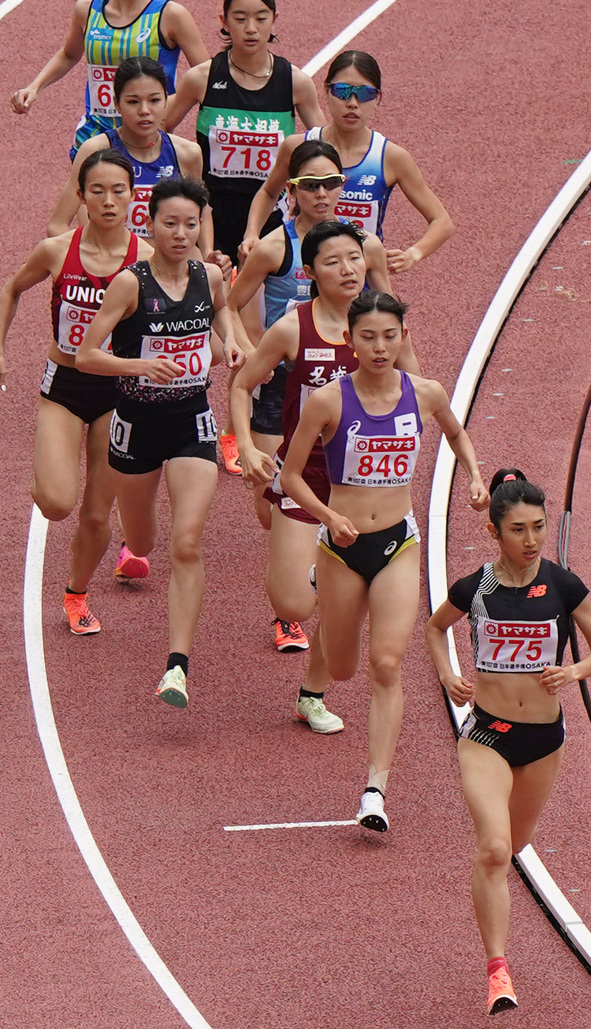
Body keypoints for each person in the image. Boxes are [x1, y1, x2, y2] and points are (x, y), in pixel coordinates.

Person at [278, 291, 488, 828]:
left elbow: (456, 432)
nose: (379, 346)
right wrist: (327, 516)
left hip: (398, 542)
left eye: (389, 336)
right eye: (367, 336)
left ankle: (375, 790)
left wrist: (474, 475)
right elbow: (291, 475)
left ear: (403, 337)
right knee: (344, 666)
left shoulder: (425, 393)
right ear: (350, 340)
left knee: (386, 664)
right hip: (343, 547)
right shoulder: (326, 401)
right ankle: (323, 587)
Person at [425, 469, 591, 1016]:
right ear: (494, 532)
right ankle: (498, 971)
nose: (530, 541)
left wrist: (573, 672)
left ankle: (496, 928)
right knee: (492, 848)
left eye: (538, 527)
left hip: (544, 741)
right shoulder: (475, 588)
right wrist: (446, 673)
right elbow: (436, 629)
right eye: (518, 530)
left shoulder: (561, 583)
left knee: (514, 846)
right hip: (486, 734)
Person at [230, 224, 407, 728]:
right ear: (310, 273)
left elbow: (415, 387)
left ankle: (312, 693)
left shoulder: (382, 324)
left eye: (355, 258)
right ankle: (282, 521)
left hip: (365, 485)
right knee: (294, 603)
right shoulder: (293, 328)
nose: (349, 269)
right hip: (303, 475)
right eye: (334, 261)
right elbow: (242, 386)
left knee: (340, 600)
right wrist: (245, 445)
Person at [77, 176, 241, 707]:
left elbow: (222, 317)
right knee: (145, 543)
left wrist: (231, 344)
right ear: (150, 225)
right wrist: (141, 364)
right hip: (135, 425)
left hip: (192, 418)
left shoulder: (208, 276)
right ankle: (131, 542)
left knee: (187, 541)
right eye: (169, 223)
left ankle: (177, 667)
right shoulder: (130, 283)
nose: (180, 233)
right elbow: (86, 355)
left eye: (190, 224)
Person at [0, 150, 153, 634]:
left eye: (119, 190)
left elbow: (190, 305)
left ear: (133, 197)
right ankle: (46, 473)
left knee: (96, 515)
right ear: (81, 197)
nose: (109, 200)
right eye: (98, 190)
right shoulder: (57, 250)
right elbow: (11, 290)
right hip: (65, 385)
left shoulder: (148, 259)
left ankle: (76, 594)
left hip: (118, 392)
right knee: (56, 503)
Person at [228, 140, 391, 652]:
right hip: (283, 384)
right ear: (292, 190)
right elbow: (232, 306)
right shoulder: (276, 247)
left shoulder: (366, 248)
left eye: (331, 183)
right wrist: (247, 346)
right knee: (268, 506)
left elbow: (391, 318)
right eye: (310, 185)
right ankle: (289, 551)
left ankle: (308, 560)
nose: (322, 193)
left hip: (347, 400)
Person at [163, 0, 324, 473]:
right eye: (240, 17)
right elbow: (161, 137)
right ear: (223, 23)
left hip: (268, 226)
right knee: (204, 326)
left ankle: (237, 431)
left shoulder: (294, 82)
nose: (251, 27)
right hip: (207, 225)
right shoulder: (201, 79)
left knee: (251, 330)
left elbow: (319, 149)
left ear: (274, 21)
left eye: (260, 17)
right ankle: (177, 411)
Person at [240, 50, 453, 273]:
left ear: (378, 98)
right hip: (302, 274)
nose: (352, 103)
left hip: (360, 280)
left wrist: (413, 254)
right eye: (343, 91)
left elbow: (441, 221)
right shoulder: (297, 147)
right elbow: (268, 193)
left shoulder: (390, 157)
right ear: (326, 91)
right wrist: (252, 233)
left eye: (364, 94)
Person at [47, 57, 215, 261]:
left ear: (166, 100)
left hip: (167, 274)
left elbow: (201, 210)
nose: (144, 111)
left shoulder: (187, 153)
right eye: (133, 102)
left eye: (154, 100)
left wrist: (207, 255)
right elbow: (57, 226)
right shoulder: (96, 150)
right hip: (112, 270)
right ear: (116, 104)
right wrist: (89, 263)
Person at [10, 0, 209, 158]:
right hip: (95, 131)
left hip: (147, 135)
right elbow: (69, 54)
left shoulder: (171, 15)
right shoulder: (87, 10)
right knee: (91, 203)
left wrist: (169, 111)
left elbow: (206, 77)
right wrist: (35, 87)